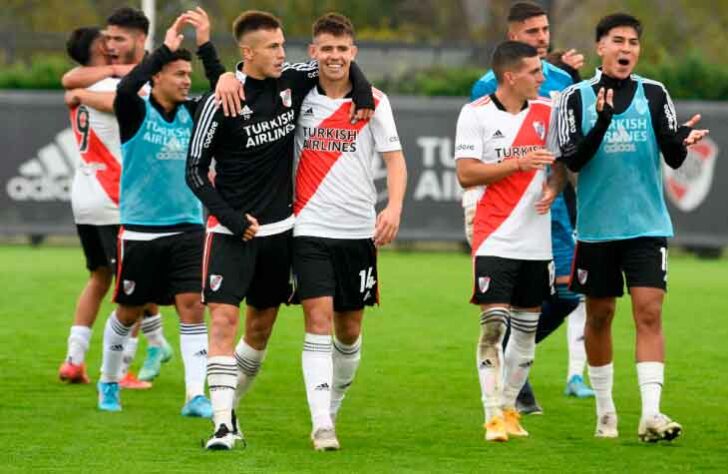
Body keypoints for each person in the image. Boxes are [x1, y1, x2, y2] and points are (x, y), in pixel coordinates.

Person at [186, 10, 374, 450]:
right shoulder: (221, 101)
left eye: (283, 45)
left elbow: (339, 61)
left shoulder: (293, 79)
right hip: (230, 233)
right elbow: (194, 172)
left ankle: (230, 408)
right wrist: (231, 218)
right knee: (224, 321)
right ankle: (220, 426)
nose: (281, 54)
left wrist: (362, 90)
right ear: (247, 53)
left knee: (259, 331)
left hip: (281, 233)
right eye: (272, 47)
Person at [556, 13, 708, 441]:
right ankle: (605, 411)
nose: (626, 49)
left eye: (633, 43)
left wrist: (681, 142)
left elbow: (673, 159)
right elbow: (574, 161)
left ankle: (651, 413)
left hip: (646, 225)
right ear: (600, 47)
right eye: (617, 41)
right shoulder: (574, 98)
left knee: (649, 311)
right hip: (597, 229)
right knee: (599, 317)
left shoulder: (655, 94)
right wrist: (602, 121)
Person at [94, 8, 225, 417]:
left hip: (188, 226)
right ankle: (108, 380)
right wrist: (164, 49)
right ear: (157, 77)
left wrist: (204, 45)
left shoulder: (194, 111)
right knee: (128, 311)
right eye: (178, 74)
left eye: (188, 74)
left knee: (192, 306)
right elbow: (125, 88)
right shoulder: (135, 110)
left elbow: (224, 90)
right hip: (139, 231)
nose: (187, 81)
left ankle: (194, 395)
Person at [467, 1, 593, 414]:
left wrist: (558, 185)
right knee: (509, 308)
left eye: (545, 30)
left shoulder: (559, 80)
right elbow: (481, 158)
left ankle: (508, 360)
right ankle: (510, 388)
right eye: (533, 32)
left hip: (552, 204)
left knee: (571, 292)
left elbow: (566, 142)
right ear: (513, 37)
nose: (543, 37)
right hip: (505, 209)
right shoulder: (486, 87)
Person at [291, 13, 407, 451]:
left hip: (358, 231)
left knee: (349, 329)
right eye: (327, 48)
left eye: (343, 49)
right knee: (317, 320)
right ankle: (322, 422)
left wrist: (393, 207)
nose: (335, 56)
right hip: (308, 227)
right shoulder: (297, 97)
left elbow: (395, 159)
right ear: (313, 52)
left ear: (353, 53)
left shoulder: (373, 100)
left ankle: (333, 406)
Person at [455, 40, 567, 442]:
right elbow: (466, 174)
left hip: (536, 242)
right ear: (510, 76)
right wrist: (516, 164)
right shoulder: (476, 114)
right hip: (494, 236)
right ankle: (491, 417)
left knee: (525, 331)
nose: (542, 78)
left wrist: (554, 187)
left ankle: (508, 409)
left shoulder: (547, 112)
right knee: (493, 326)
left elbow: (560, 165)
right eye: (535, 72)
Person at [61, 7, 174, 387]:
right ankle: (128, 363)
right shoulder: (116, 85)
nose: (111, 46)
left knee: (100, 278)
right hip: (117, 198)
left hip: (86, 195)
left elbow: (71, 79)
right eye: (105, 41)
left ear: (140, 40)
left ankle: (74, 359)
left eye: (117, 39)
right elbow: (125, 102)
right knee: (134, 284)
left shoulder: (86, 84)